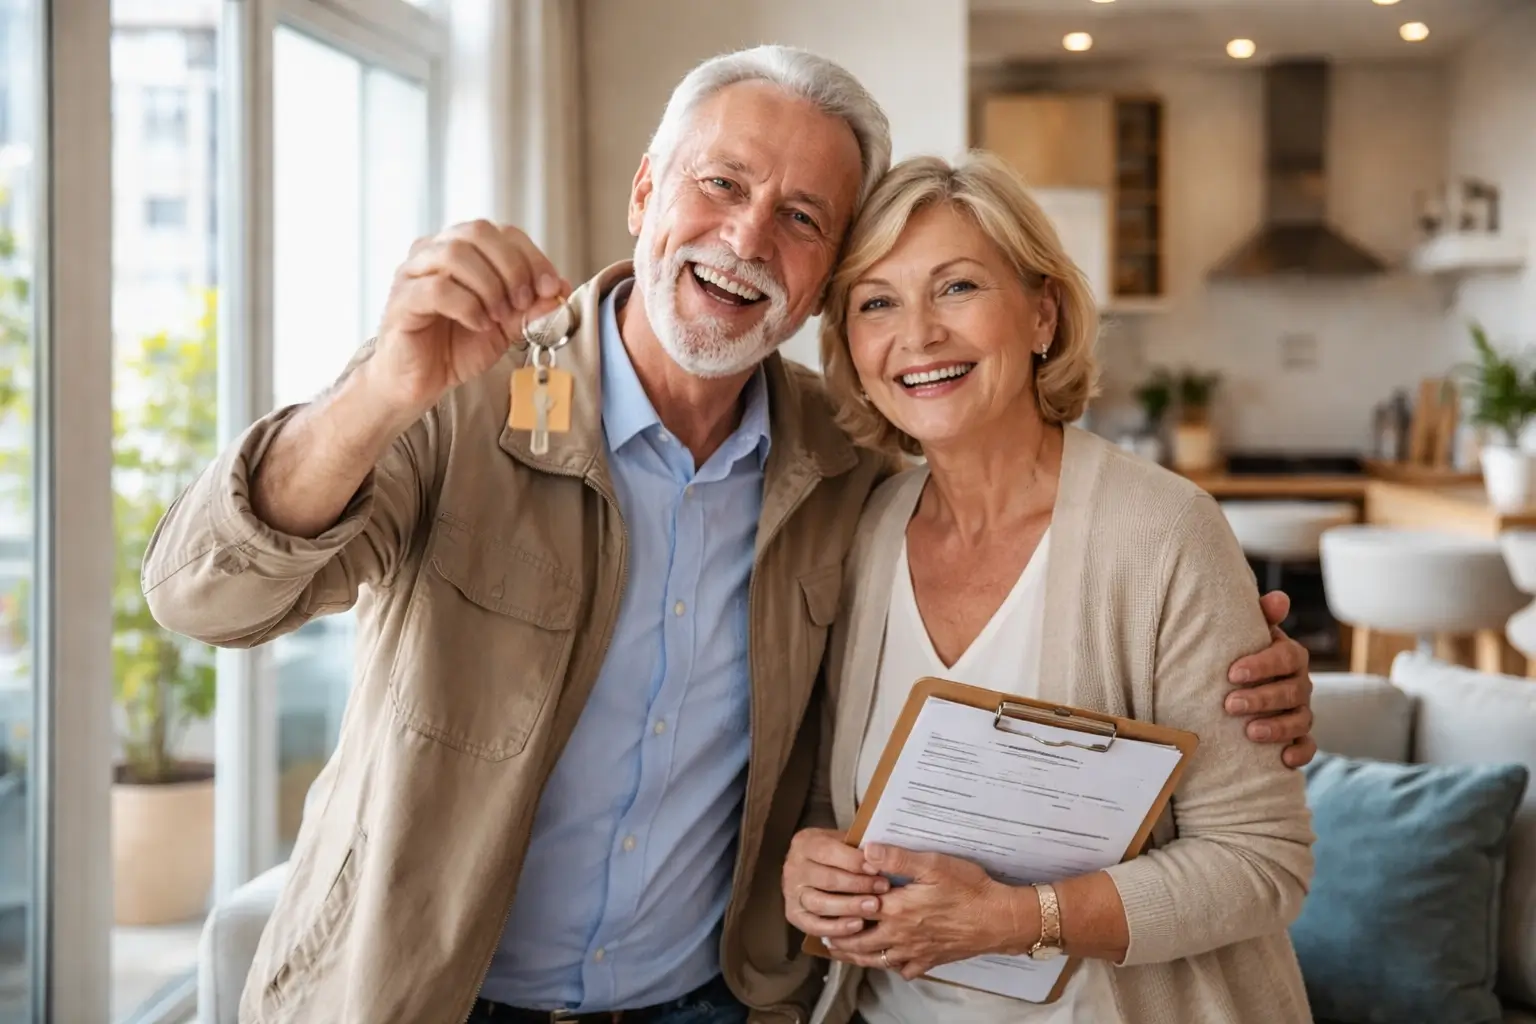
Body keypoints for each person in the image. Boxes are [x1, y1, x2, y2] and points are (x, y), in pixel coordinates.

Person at [142, 47, 1317, 1024]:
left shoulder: (845, 471)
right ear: (647, 193)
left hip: (704, 1003)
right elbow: (206, 599)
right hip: (431, 999)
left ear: (814, 291)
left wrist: (1244, 673)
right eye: (721, 185)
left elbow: (850, 765)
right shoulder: (458, 388)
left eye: (802, 219)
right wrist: (374, 395)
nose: (749, 238)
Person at [782, 151, 1315, 1024]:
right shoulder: (865, 533)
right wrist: (813, 868)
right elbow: (835, 801)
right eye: (877, 302)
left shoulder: (1163, 533)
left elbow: (1263, 861)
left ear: (1041, 312)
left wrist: (1017, 920)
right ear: (851, 348)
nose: (917, 335)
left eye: (956, 287)